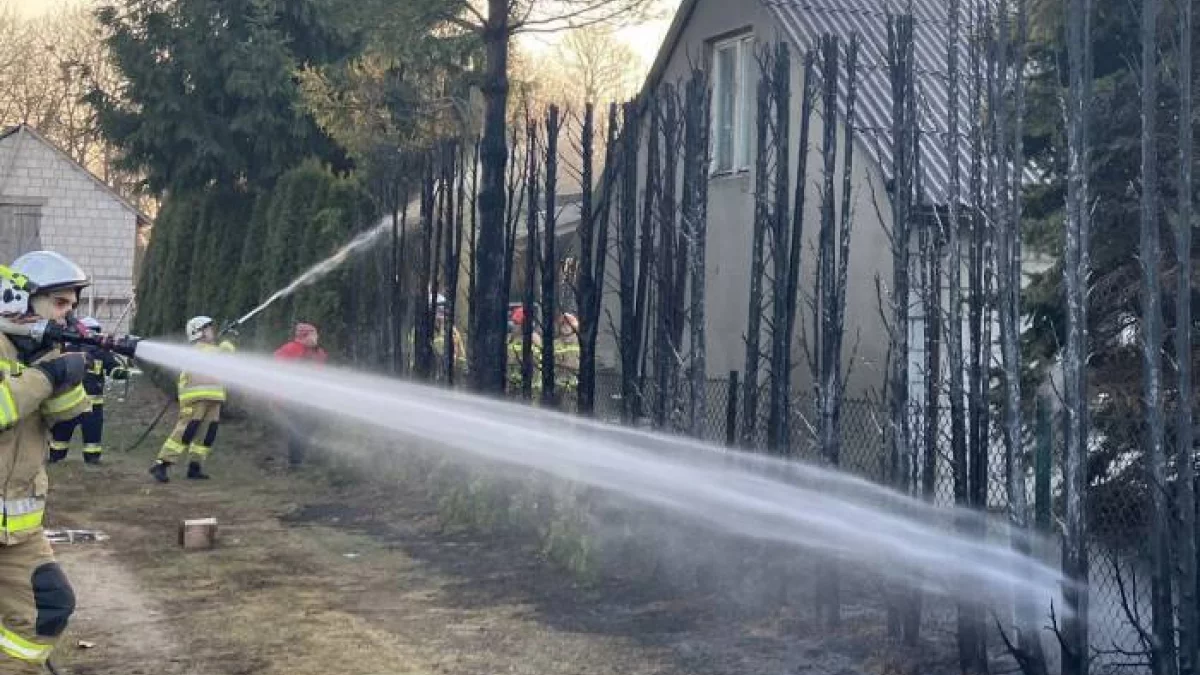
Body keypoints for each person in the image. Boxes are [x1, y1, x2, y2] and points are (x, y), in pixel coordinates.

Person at [0, 250, 94, 673]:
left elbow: (61, 421)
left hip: (17, 532)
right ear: (20, 299)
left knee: (52, 605)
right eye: (59, 303)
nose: (67, 315)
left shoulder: (35, 351)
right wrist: (47, 376)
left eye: (72, 306)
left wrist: (70, 373)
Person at [149, 316, 235, 483]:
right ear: (198, 332)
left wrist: (224, 342)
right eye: (209, 328)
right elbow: (224, 355)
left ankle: (195, 467)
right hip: (195, 398)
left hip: (214, 397)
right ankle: (161, 464)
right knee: (185, 432)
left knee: (206, 434)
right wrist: (227, 342)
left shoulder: (212, 349)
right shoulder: (198, 349)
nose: (213, 331)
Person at [47, 317, 129, 465]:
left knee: (90, 434)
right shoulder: (67, 351)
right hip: (73, 403)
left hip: (83, 405)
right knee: (63, 432)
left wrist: (121, 372)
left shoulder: (99, 353)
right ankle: (57, 456)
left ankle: (84, 457)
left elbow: (114, 368)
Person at [273, 322, 326, 468]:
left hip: (309, 399)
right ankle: (295, 462)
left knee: (310, 425)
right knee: (298, 427)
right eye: (314, 334)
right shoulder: (290, 349)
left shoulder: (317, 353)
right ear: (305, 336)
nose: (317, 337)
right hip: (291, 398)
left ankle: (298, 458)